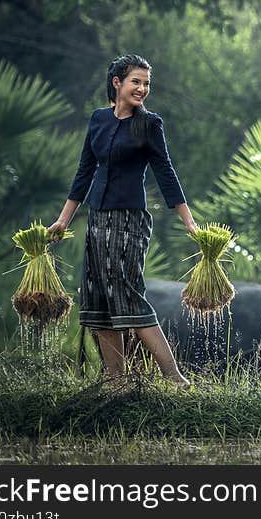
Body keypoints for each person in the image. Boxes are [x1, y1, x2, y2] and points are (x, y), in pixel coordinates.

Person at [48, 54, 196, 387]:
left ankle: (175, 379)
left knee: (127, 295)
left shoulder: (150, 124)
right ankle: (115, 381)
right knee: (98, 298)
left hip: (129, 222)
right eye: (136, 82)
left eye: (146, 83)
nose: (142, 89)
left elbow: (165, 173)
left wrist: (188, 221)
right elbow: (84, 172)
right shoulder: (98, 120)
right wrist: (63, 220)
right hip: (97, 220)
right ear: (117, 83)